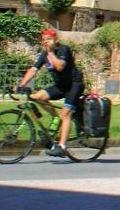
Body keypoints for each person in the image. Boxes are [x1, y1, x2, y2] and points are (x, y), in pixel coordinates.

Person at [15, 28, 84, 157]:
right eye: (43, 40)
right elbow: (34, 70)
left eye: (49, 39)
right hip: (61, 85)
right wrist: (21, 84)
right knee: (37, 97)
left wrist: (51, 54)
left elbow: (59, 66)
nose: (45, 42)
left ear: (55, 40)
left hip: (74, 84)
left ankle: (62, 146)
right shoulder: (44, 54)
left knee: (66, 113)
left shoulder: (63, 50)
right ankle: (55, 118)